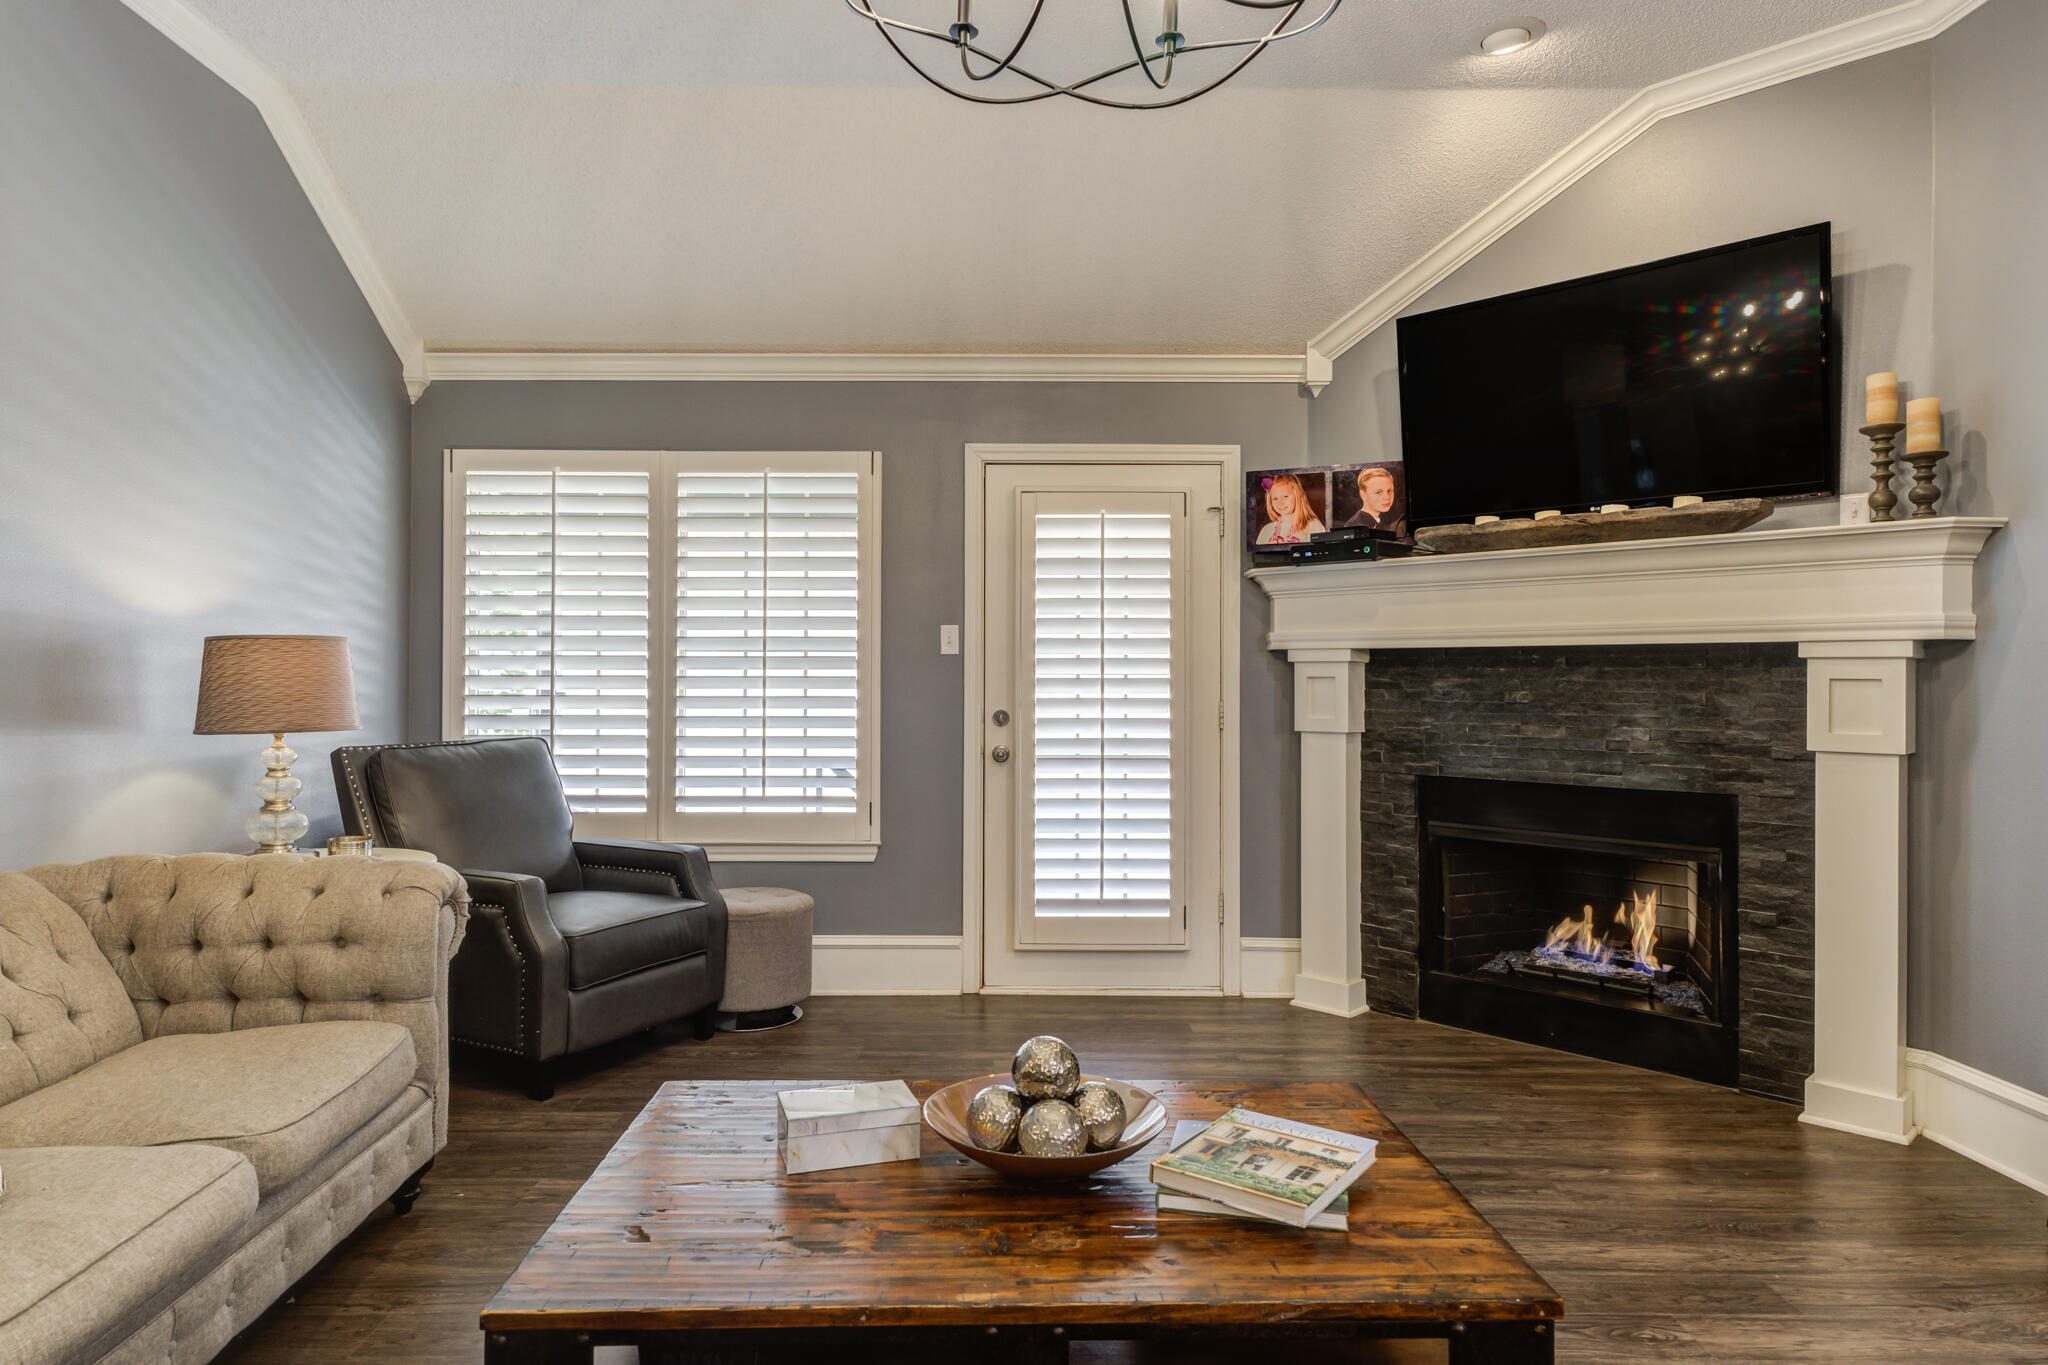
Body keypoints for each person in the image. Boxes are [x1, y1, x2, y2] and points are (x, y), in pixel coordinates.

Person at [1255, 473, 1326, 545]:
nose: (1280, 503)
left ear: (1297, 496)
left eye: (1285, 496)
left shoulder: (1313, 526)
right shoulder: (1266, 531)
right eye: (1275, 498)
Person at [1342, 466, 1407, 537]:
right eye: (1378, 492)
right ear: (1363, 494)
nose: (1387, 497)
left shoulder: (1377, 521)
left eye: (1389, 490)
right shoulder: (1358, 526)